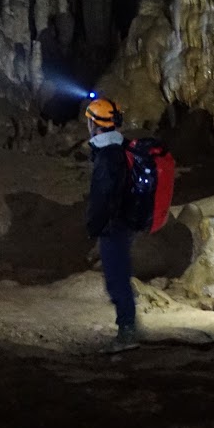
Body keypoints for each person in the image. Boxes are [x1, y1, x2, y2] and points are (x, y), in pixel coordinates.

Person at [84, 96, 138, 349]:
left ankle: (127, 332)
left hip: (114, 226)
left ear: (96, 125)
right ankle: (127, 324)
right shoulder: (121, 148)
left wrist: (93, 227)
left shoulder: (107, 157)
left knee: (116, 278)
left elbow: (102, 199)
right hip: (124, 223)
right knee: (119, 275)